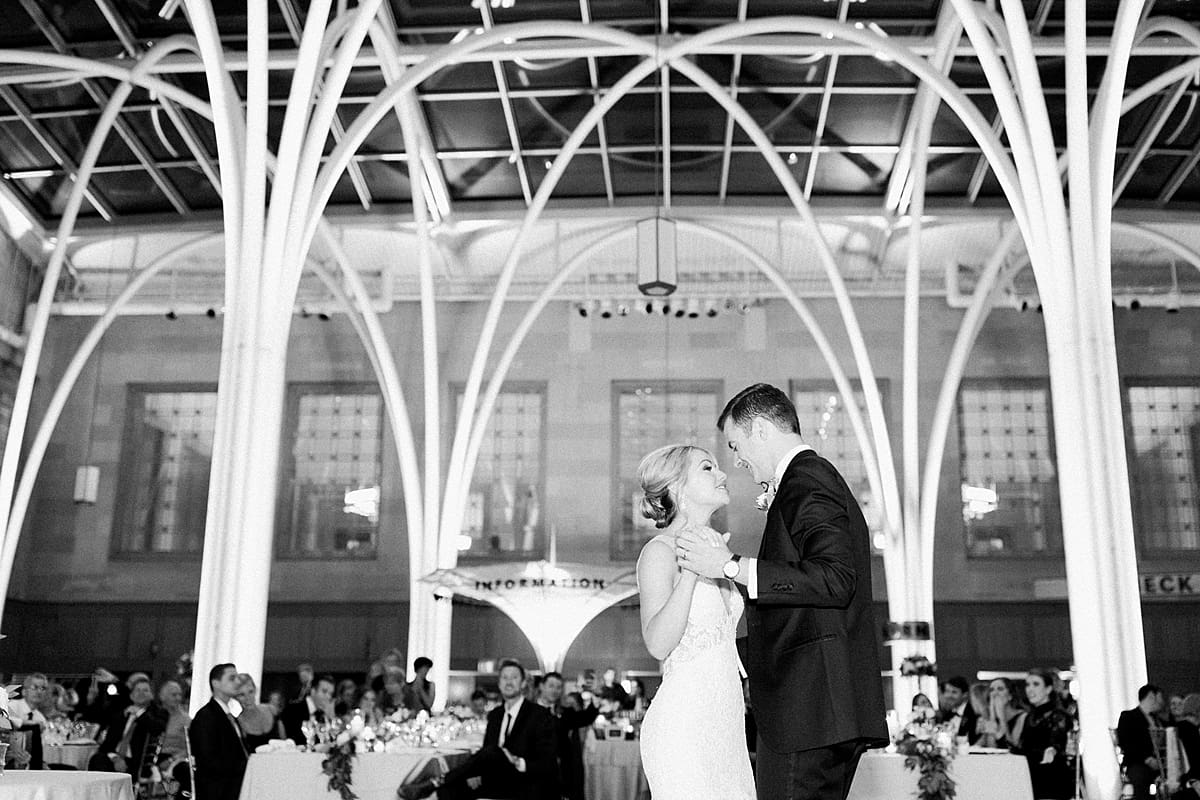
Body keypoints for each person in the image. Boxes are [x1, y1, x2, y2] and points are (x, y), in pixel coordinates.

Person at [676, 383, 888, 800]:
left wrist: (730, 566)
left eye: (736, 445)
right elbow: (799, 607)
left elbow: (834, 578)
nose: (736, 461)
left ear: (760, 429)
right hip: (816, 709)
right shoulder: (805, 480)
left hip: (809, 710)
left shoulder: (808, 480)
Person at [635, 443, 755, 800]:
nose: (721, 475)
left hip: (727, 726)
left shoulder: (718, 547)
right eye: (707, 468)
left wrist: (719, 561)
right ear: (677, 489)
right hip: (683, 727)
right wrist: (690, 573)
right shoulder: (660, 552)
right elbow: (657, 644)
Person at [397, 659, 558, 800]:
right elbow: (487, 754)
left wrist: (517, 761)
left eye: (514, 678)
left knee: (493, 751)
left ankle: (435, 781)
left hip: (524, 781)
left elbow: (547, 763)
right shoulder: (496, 715)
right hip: (495, 779)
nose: (509, 682)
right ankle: (439, 783)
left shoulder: (539, 715)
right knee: (449, 790)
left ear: (523, 683)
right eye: (505, 678)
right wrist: (475, 773)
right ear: (499, 683)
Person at [188, 663, 249, 800]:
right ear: (216, 683)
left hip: (234, 785)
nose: (237, 682)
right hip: (218, 789)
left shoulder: (229, 715)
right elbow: (207, 759)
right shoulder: (205, 716)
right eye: (232, 678)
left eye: (237, 678)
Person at [90, 675, 166, 777]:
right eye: (137, 690)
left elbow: (157, 728)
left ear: (151, 695)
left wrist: (139, 713)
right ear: (131, 695)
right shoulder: (121, 715)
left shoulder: (158, 714)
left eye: (145, 690)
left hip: (137, 762)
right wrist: (116, 759)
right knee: (97, 759)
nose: (141, 693)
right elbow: (107, 746)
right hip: (116, 757)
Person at [538, 671, 599, 800]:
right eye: (551, 686)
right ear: (542, 686)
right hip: (535, 771)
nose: (555, 690)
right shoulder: (529, 711)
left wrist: (595, 699)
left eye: (558, 687)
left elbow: (585, 718)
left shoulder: (565, 712)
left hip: (561, 771)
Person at [1017, 669, 1074, 800]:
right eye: (1027, 684)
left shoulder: (1058, 715)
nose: (1029, 689)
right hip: (1031, 779)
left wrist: (1052, 750)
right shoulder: (1030, 717)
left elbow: (1057, 744)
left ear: (1048, 689)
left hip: (1052, 781)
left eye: (1035, 684)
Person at [1117, 683, 1167, 800]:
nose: (1162, 702)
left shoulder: (1158, 719)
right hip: (1138, 762)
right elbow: (1126, 742)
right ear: (1151, 696)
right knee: (1141, 777)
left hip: (1161, 762)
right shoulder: (1129, 716)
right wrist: (1148, 759)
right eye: (1159, 697)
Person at [281, 674, 336, 745]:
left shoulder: (323, 714)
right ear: (313, 691)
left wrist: (330, 719)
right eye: (324, 692)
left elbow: (331, 742)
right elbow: (296, 740)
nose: (328, 697)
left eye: (331, 694)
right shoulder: (293, 709)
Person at [977, 677, 1027, 750]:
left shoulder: (1022, 716)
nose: (994, 693)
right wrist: (992, 716)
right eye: (991, 690)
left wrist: (1002, 717)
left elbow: (1012, 746)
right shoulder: (989, 716)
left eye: (1000, 689)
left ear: (1010, 696)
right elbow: (991, 748)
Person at [233, 673, 277, 752]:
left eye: (250, 692)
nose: (248, 698)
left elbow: (287, 744)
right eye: (242, 695)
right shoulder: (238, 724)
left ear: (255, 690)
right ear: (235, 697)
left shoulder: (272, 710)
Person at [937, 677, 979, 744]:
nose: (949, 696)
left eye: (954, 692)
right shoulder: (947, 715)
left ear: (965, 695)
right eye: (947, 691)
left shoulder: (973, 713)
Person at [1175, 693, 1200, 797]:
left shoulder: (1177, 728)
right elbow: (1195, 758)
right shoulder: (1190, 730)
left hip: (1181, 777)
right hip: (1192, 778)